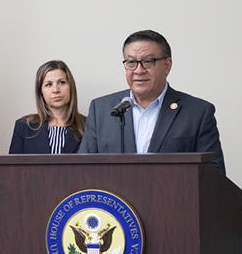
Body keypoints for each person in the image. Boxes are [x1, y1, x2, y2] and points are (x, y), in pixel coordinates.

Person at [78, 30, 225, 174]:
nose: (138, 70)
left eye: (148, 61)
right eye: (131, 62)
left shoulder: (197, 112)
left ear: (167, 66)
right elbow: (82, 170)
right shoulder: (102, 110)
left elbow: (214, 176)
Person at [9, 60, 85, 154]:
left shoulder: (89, 126)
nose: (56, 90)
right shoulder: (24, 126)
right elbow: (13, 168)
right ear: (40, 92)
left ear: (71, 87)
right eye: (48, 84)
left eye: (61, 82)